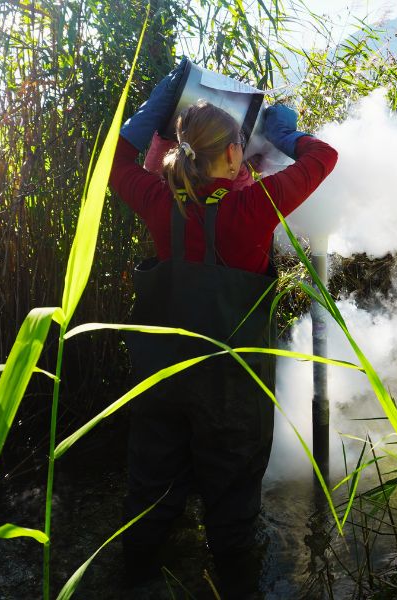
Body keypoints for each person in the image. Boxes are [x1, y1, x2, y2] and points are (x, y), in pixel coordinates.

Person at [107, 58, 338, 596]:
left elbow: (115, 162)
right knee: (232, 506)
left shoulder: (161, 202)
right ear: (235, 152)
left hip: (162, 379)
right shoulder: (254, 207)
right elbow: (324, 156)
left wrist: (153, 116)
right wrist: (285, 132)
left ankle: (133, 578)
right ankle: (235, 583)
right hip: (233, 387)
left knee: (152, 487)